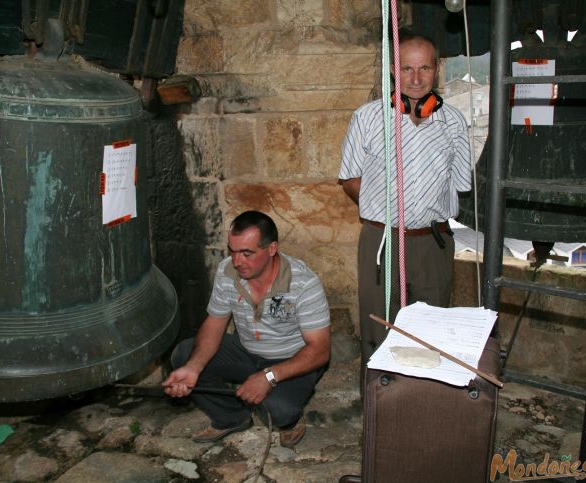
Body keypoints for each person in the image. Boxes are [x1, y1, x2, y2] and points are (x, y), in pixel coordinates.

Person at [338, 31, 471, 383]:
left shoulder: (454, 122)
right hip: (380, 243)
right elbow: (350, 178)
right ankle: (380, 408)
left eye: (424, 68)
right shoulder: (367, 118)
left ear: (437, 68)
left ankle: (424, 403)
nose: (415, 78)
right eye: (407, 69)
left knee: (433, 328)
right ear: (394, 71)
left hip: (433, 243)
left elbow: (460, 184)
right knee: (377, 327)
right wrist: (384, 209)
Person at [162, 210, 331, 448]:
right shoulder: (227, 272)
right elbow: (215, 323)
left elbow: (320, 351)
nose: (237, 261)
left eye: (247, 253)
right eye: (232, 251)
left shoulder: (304, 283)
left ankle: (290, 421)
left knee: (278, 410)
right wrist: (193, 367)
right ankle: (231, 417)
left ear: (272, 249)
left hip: (291, 359)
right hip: (246, 351)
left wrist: (268, 377)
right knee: (184, 355)